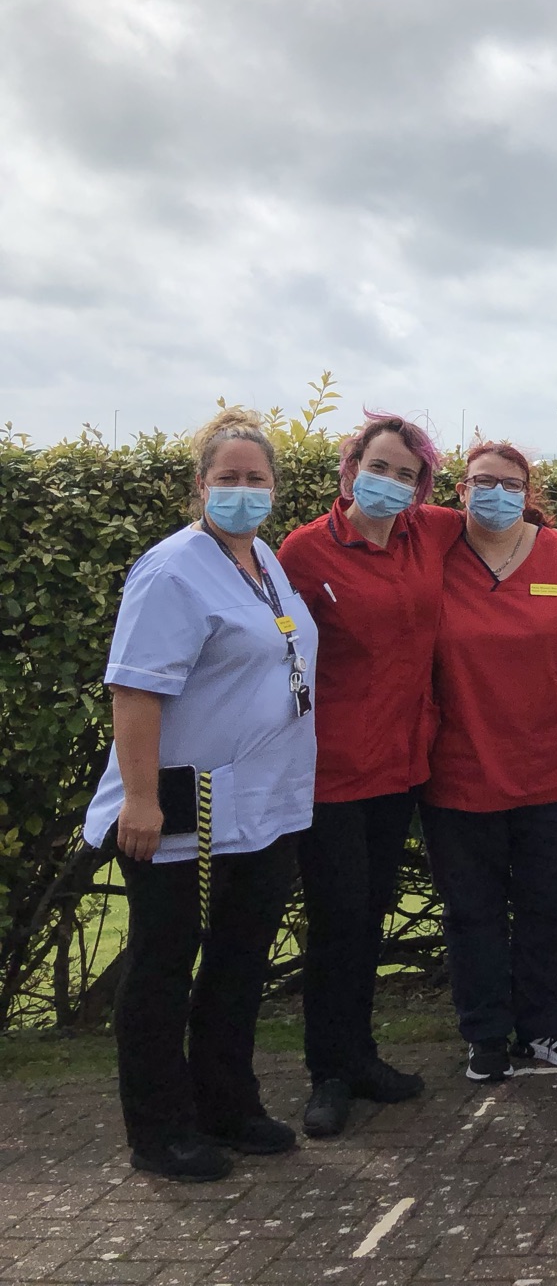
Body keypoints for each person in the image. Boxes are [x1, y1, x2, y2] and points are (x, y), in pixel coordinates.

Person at [83, 408, 319, 1180]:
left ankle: (228, 1103)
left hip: (258, 808)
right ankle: (159, 1129)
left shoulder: (265, 562)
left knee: (240, 959)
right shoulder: (172, 570)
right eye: (229, 479)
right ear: (201, 486)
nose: (243, 491)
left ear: (274, 489)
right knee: (163, 964)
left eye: (256, 479)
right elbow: (134, 691)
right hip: (180, 807)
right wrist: (141, 800)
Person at [417, 441, 557, 1083]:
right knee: (471, 914)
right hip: (457, 775)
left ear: (527, 490)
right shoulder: (432, 558)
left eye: (511, 483)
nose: (497, 493)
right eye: (483, 482)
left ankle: (548, 1028)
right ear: (460, 490)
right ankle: (484, 1034)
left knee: (553, 907)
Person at [278, 414, 459, 1139]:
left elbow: (498, 506)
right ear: (350, 468)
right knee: (337, 919)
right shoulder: (303, 551)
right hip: (329, 768)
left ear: (421, 488)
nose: (389, 483)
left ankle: (361, 1058)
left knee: (370, 912)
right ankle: (328, 1072)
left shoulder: (430, 534)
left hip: (402, 764)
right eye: (377, 467)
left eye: (406, 474)